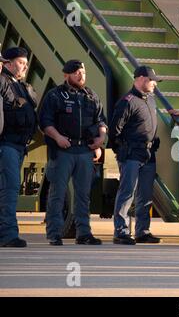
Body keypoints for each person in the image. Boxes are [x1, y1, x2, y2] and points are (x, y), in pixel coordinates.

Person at [39, 60, 106, 246]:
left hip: (85, 150)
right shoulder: (55, 96)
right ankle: (54, 233)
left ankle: (84, 233)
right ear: (66, 75)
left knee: (83, 195)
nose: (81, 75)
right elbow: (45, 122)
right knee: (57, 193)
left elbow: (101, 120)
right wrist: (58, 137)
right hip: (62, 151)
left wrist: (100, 139)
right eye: (76, 72)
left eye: (83, 72)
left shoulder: (90, 95)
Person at [109, 66, 161, 245]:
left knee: (145, 195)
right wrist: (122, 150)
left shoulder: (151, 100)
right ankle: (121, 231)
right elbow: (115, 130)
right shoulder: (127, 101)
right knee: (127, 193)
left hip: (148, 154)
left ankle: (142, 231)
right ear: (139, 79)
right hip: (131, 154)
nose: (154, 83)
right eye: (151, 80)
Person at [0, 47, 37, 248]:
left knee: (8, 188)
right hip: (7, 143)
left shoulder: (21, 86)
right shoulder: (2, 82)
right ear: (8, 63)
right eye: (21, 62)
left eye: (25, 63)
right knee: (10, 188)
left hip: (19, 145)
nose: (25, 66)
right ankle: (8, 234)